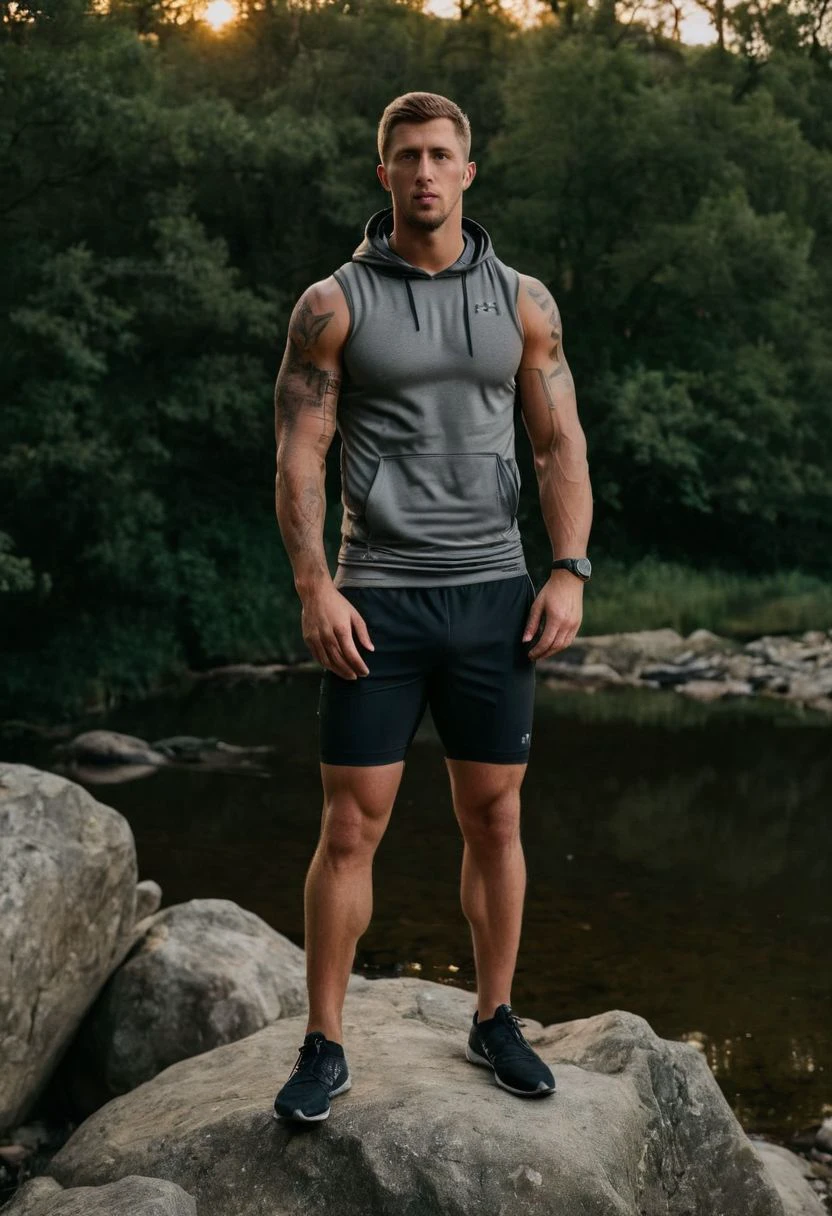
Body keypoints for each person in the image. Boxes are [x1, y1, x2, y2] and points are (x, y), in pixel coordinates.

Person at [272, 91, 593, 1123]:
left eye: (439, 155)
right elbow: (300, 450)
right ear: (384, 177)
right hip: (377, 600)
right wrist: (315, 583)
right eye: (404, 156)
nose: (422, 171)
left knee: (493, 815)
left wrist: (568, 568)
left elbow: (557, 446)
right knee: (350, 826)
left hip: (495, 595)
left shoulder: (522, 300)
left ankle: (494, 1017)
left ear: (467, 171)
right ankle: (324, 1042)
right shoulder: (334, 304)